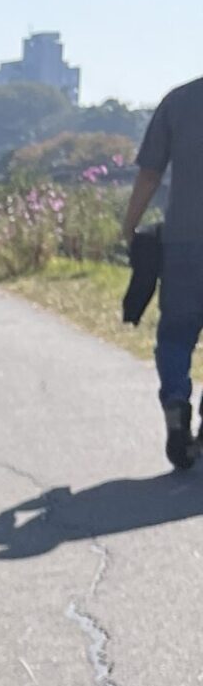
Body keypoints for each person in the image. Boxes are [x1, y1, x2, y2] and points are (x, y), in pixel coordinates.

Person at [122, 79, 203, 469]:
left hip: (183, 242)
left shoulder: (180, 100)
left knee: (175, 334)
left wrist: (130, 226)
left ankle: (175, 407)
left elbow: (150, 174)